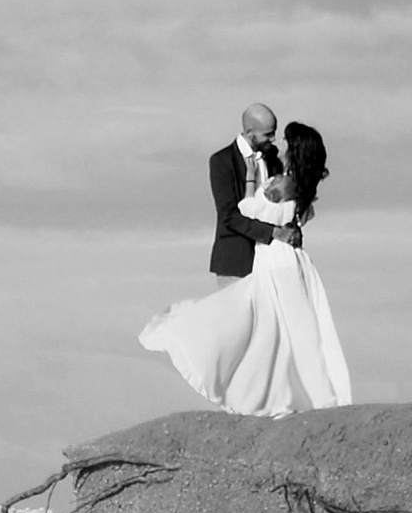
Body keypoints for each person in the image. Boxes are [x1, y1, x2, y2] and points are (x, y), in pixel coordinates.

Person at [141, 111, 352, 415]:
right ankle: (248, 398)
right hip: (241, 258)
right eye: (269, 135)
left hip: (272, 261)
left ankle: (262, 399)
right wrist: (276, 231)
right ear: (250, 131)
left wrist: (260, 195)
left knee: (272, 334)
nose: (275, 142)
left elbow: (254, 208)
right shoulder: (222, 161)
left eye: (278, 135)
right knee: (238, 329)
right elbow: (229, 216)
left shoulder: (278, 170)